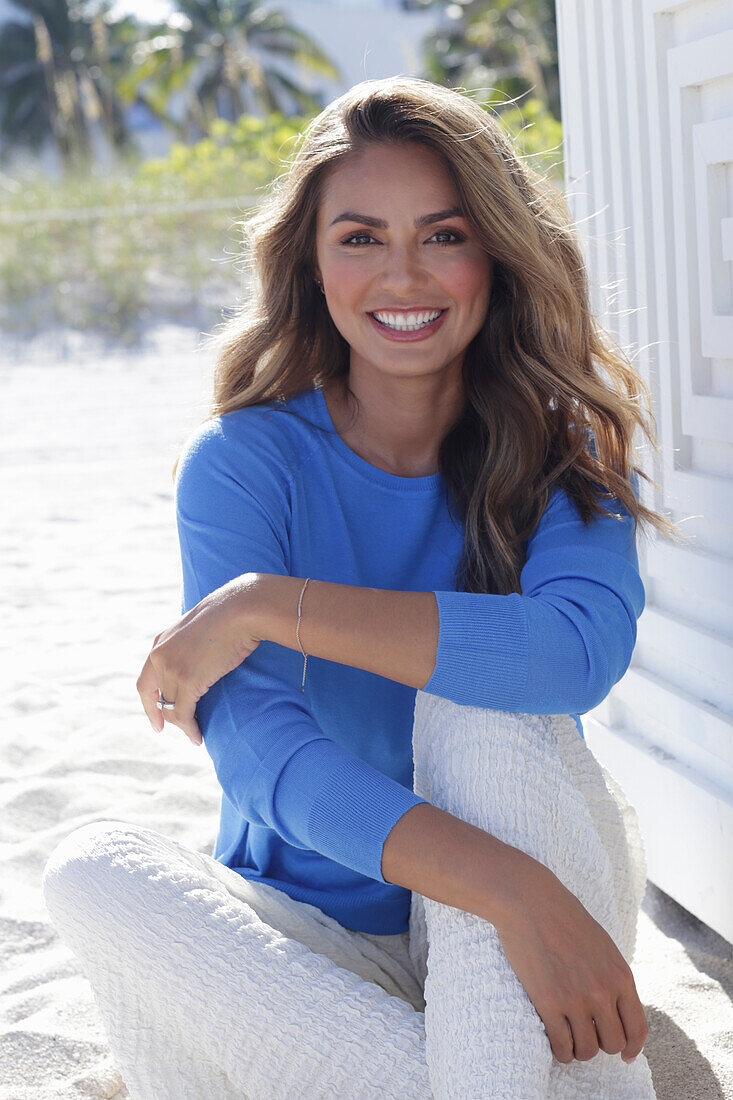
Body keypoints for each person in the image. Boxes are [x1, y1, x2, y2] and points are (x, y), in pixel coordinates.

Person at [41, 77, 683, 1098]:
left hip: (520, 913)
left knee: (479, 712)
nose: (401, 274)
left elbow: (572, 652)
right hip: (317, 933)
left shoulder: (560, 449)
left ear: (497, 253)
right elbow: (256, 755)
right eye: (359, 237)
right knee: (86, 867)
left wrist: (266, 602)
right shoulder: (245, 462)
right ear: (309, 259)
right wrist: (506, 886)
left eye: (442, 234)